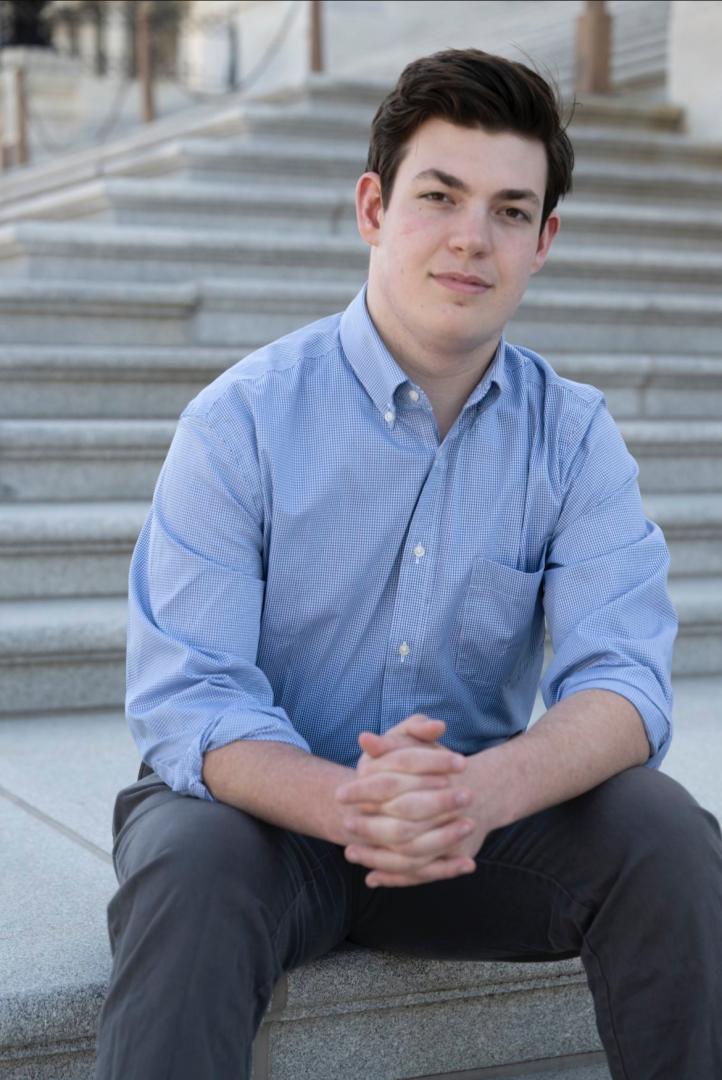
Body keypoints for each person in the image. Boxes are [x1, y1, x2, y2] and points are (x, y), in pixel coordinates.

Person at [94, 48, 722, 1080]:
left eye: (510, 211)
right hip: (261, 822)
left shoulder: (571, 437)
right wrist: (347, 803)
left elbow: (624, 683)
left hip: (470, 827)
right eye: (439, 196)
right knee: (187, 860)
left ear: (542, 241)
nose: (472, 237)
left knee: (661, 830)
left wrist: (482, 790)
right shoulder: (239, 421)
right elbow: (187, 697)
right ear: (373, 208)